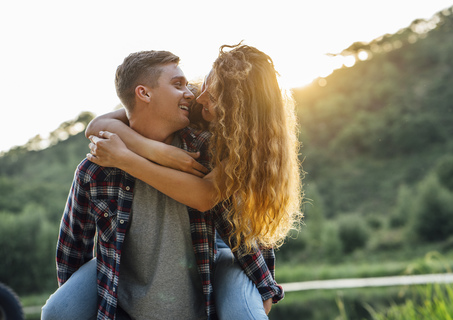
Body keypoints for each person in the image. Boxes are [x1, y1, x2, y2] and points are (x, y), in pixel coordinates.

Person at [42, 49, 283, 320]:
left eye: (189, 87)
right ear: (144, 93)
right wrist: (153, 151)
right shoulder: (97, 169)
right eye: (179, 85)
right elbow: (73, 247)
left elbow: (242, 224)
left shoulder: (208, 150)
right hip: (127, 296)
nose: (193, 95)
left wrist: (265, 286)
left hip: (208, 274)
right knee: (55, 311)